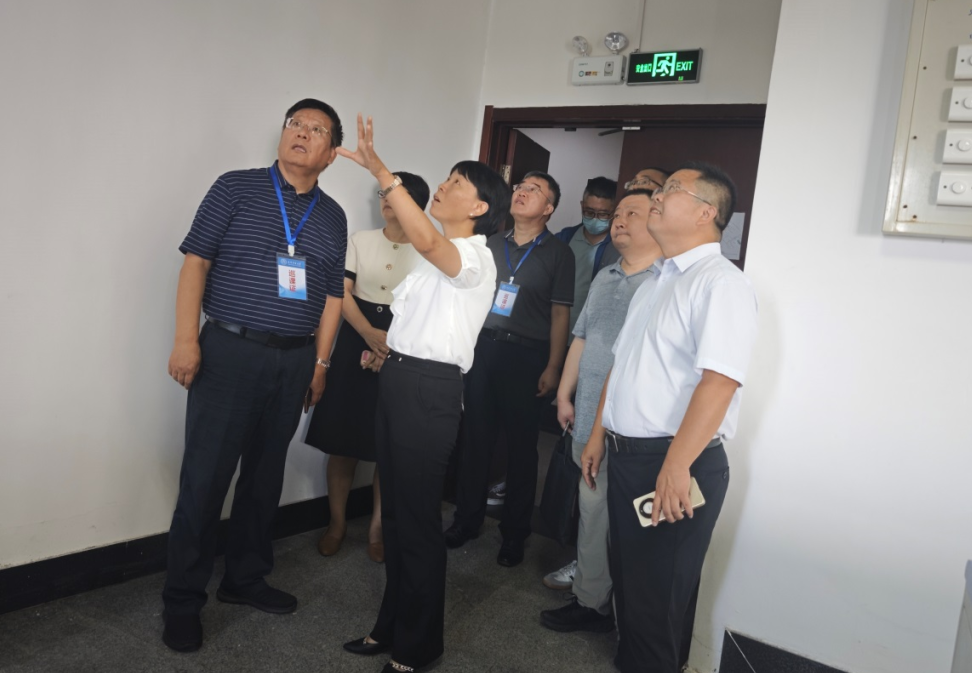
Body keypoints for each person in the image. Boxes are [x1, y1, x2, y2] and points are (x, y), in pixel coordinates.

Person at [162, 99, 347, 652]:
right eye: (295, 124)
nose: (301, 133)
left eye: (316, 129)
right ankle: (182, 601)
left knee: (265, 477)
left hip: (295, 360)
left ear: (332, 154)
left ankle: (244, 578)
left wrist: (320, 363)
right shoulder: (235, 188)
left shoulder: (333, 215)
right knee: (205, 479)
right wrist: (186, 339)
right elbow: (196, 261)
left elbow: (332, 297)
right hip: (229, 351)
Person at [337, 115, 510, 673]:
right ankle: (389, 626)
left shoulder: (475, 257)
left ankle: (418, 646)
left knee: (416, 523)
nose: (443, 185)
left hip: (429, 390)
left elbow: (429, 241)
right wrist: (386, 350)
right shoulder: (435, 260)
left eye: (457, 182)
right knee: (398, 517)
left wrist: (382, 173)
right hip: (400, 378)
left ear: (479, 207)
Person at [581, 162, 758, 673]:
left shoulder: (720, 283)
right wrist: (598, 434)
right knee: (634, 593)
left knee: (656, 603)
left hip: (676, 462)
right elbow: (622, 366)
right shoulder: (657, 281)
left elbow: (719, 382)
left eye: (672, 190)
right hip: (629, 457)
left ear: (707, 213)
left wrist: (676, 466)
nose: (656, 196)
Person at [542, 167, 671, 592]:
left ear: (657, 221)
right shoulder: (605, 275)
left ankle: (611, 592)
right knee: (590, 503)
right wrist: (565, 395)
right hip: (586, 412)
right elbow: (581, 337)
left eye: (633, 213)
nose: (618, 221)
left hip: (628, 424)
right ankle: (589, 585)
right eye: (618, 214)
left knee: (624, 510)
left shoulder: (663, 285)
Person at [445, 171, 575, 568]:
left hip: (527, 357)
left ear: (549, 208)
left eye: (533, 190)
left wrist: (554, 366)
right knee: (475, 439)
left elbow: (560, 314)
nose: (521, 192)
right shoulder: (489, 243)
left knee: (521, 447)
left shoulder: (559, 253)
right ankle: (467, 519)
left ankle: (515, 533)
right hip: (483, 350)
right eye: (519, 186)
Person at [305, 172, 430, 563]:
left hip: (403, 345)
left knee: (388, 447)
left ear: (416, 204)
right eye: (384, 193)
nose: (387, 200)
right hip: (355, 338)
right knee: (342, 441)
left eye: (397, 194)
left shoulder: (429, 250)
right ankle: (336, 524)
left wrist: (388, 344)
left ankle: (377, 529)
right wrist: (368, 334)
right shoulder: (360, 239)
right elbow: (340, 292)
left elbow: (427, 308)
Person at [554, 176, 618, 336]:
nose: (595, 218)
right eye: (589, 212)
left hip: (592, 335)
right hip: (556, 331)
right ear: (582, 205)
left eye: (603, 214)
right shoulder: (564, 239)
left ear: (615, 212)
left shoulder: (618, 247)